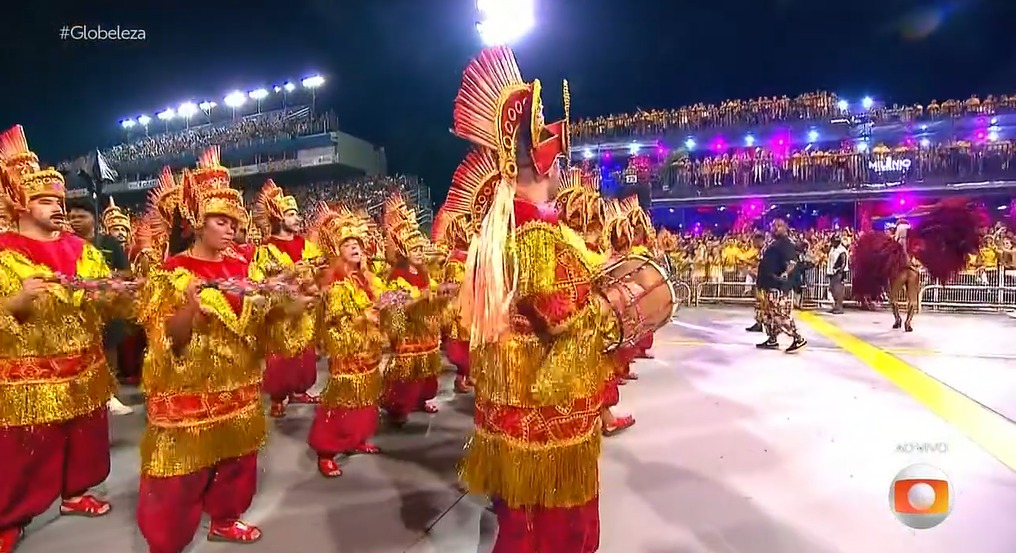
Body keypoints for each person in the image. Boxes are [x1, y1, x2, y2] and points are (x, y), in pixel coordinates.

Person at [451, 46, 612, 551]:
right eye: (560, 161)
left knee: (518, 519)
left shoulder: (498, 231)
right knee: (550, 529)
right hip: (545, 410)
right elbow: (569, 318)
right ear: (546, 166)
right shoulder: (537, 237)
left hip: (510, 404)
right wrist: (613, 308)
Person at [134, 147, 317, 553]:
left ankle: (224, 519)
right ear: (198, 224)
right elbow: (165, 341)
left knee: (237, 463)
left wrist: (292, 307)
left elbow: (267, 324)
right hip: (188, 397)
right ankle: (166, 542)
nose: (231, 229)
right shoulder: (171, 275)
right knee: (178, 476)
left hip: (239, 392)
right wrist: (188, 311)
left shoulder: (247, 270)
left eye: (235, 222)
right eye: (221, 221)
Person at [0, 125, 125, 552]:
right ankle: (10, 517)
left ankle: (75, 494)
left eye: (60, 200)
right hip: (29, 377)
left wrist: (113, 296)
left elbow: (107, 300)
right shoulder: (3, 252)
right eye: (46, 200)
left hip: (85, 367)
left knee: (86, 439)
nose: (58, 208)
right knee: (26, 451)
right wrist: (15, 302)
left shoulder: (83, 250)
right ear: (20, 203)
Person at [305, 203, 385, 477]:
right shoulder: (337, 285)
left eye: (358, 243)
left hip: (370, 353)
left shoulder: (370, 280)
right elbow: (336, 325)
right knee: (342, 400)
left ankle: (357, 437)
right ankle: (326, 451)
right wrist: (365, 322)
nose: (355, 247)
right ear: (337, 251)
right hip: (349, 352)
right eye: (348, 243)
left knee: (366, 397)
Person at [558, 169, 634, 437]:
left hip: (590, 320)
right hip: (578, 319)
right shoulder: (567, 240)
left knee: (597, 373)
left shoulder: (579, 241)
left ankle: (601, 417)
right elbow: (589, 270)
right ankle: (597, 419)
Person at [251, 179, 324, 417]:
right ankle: (279, 395)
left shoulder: (308, 246)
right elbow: (260, 283)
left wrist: (314, 286)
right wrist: (288, 275)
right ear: (279, 218)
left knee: (305, 353)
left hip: (305, 310)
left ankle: (299, 389)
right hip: (282, 312)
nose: (298, 218)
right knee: (282, 354)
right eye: (292, 214)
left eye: (297, 214)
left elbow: (318, 273)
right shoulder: (266, 249)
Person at [379, 195, 447, 426]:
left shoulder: (424, 272)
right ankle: (398, 407)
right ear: (403, 251)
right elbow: (397, 305)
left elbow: (434, 292)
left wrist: (445, 291)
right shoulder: (397, 276)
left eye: (420, 247)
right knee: (408, 373)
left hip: (427, 331)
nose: (419, 252)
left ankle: (421, 399)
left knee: (427, 368)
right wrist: (420, 299)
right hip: (409, 332)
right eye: (414, 248)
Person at [65, 197, 135, 416]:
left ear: (93, 219)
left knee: (109, 346)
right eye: (72, 216)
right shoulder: (65, 244)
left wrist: (104, 278)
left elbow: (127, 273)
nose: (75, 220)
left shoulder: (108, 243)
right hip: (78, 309)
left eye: (81, 216)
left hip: (106, 303)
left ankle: (111, 393)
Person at [433, 203, 475, 394]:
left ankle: (469, 374)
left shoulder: (470, 255)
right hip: (460, 308)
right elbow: (452, 286)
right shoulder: (455, 258)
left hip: (472, 304)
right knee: (463, 343)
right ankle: (461, 376)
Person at [755, 219, 807, 353]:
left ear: (785, 228)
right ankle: (772, 339)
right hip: (768, 284)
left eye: (778, 226)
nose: (774, 228)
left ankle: (798, 338)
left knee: (780, 315)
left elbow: (791, 262)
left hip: (776, 286)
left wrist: (783, 275)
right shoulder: (775, 243)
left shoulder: (786, 243)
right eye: (773, 226)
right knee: (769, 315)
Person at [745, 232, 768, 333]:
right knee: (759, 303)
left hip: (764, 280)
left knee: (764, 303)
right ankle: (759, 323)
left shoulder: (765, 250)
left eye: (754, 241)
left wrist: (754, 271)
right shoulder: (761, 251)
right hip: (761, 279)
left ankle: (766, 325)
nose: (753, 244)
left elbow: (763, 265)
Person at [826, 234, 848, 314]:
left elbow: (844, 262)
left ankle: (839, 307)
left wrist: (840, 271)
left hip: (839, 273)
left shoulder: (842, 250)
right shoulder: (832, 249)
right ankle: (835, 306)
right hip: (832, 272)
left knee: (838, 290)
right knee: (832, 289)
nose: (832, 243)